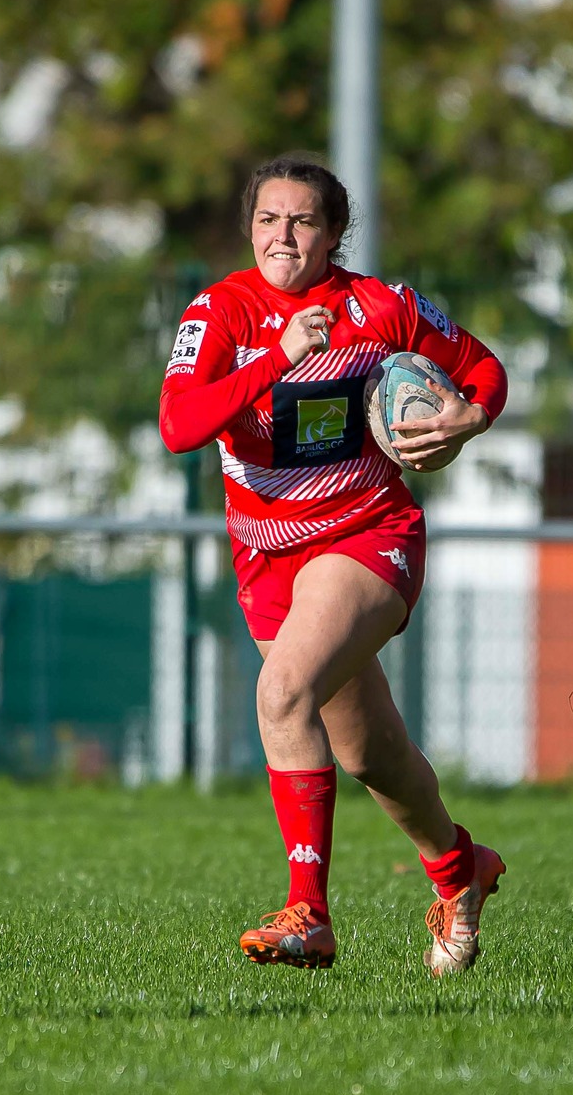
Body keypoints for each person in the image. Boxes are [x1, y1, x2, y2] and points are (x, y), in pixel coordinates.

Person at [157, 155, 509, 975]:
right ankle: (462, 870)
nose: (285, 235)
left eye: (304, 220)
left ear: (334, 233)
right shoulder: (219, 311)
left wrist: (468, 419)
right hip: (266, 555)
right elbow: (179, 424)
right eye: (269, 219)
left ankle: (308, 914)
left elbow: (483, 367)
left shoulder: (380, 305)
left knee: (282, 694)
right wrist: (274, 358)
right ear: (250, 228)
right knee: (368, 753)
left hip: (365, 534)